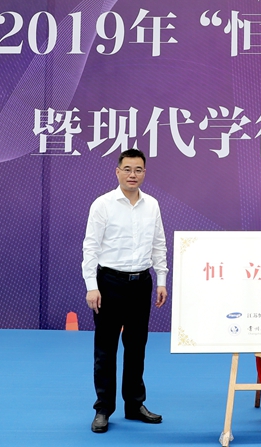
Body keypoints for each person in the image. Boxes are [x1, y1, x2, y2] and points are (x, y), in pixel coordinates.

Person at [82, 148, 168, 433]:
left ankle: (134, 404)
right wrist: (92, 286)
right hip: (109, 283)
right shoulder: (103, 204)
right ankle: (103, 409)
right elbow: (90, 247)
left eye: (138, 170)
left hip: (141, 283)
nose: (133, 175)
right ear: (117, 171)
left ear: (145, 173)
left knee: (136, 347)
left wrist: (162, 279)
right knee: (105, 350)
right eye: (128, 169)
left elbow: (159, 244)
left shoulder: (152, 205)